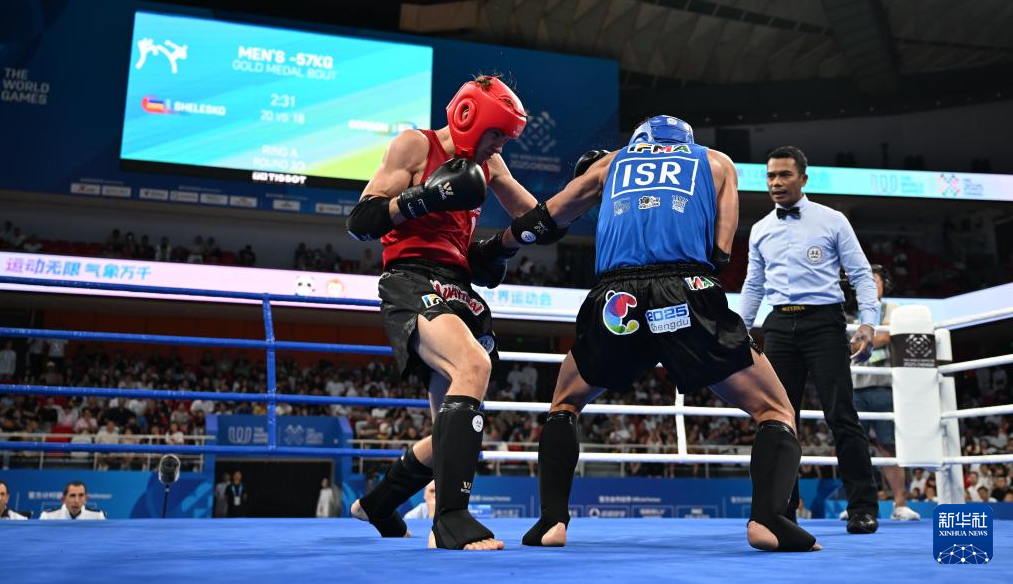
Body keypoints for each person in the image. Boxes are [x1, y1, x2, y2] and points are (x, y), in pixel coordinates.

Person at [498, 115, 818, 552]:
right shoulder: (717, 162)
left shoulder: (610, 163)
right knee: (775, 409)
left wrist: (498, 246)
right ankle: (768, 521)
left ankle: (551, 522)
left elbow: (547, 218)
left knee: (565, 403)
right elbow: (721, 253)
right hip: (685, 291)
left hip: (615, 300)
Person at [345, 75, 540, 551]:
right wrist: (425, 196)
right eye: (496, 134)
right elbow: (360, 221)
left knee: (448, 436)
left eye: (505, 138)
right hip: (411, 278)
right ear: (469, 117)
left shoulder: (489, 164)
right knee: (473, 364)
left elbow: (536, 217)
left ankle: (378, 504)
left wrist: (578, 199)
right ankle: (451, 520)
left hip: (458, 287)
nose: (499, 145)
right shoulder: (415, 145)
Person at [741, 146, 880, 534]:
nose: (776, 182)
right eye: (770, 176)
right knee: (779, 419)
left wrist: (868, 323)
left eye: (784, 175)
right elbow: (753, 285)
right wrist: (740, 330)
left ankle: (863, 507)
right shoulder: (760, 229)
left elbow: (861, 274)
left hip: (824, 323)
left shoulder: (832, 220)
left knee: (841, 415)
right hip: (778, 326)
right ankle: (782, 512)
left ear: (803, 178)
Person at [848, 264, 920, 521]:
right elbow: (851, 346)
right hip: (856, 387)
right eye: (865, 281)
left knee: (889, 446)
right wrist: (869, 338)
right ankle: (857, 504)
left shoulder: (892, 309)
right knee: (854, 446)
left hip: (885, 386)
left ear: (883, 285)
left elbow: (882, 338)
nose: (870, 285)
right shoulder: (848, 313)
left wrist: (864, 339)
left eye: (875, 281)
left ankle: (900, 504)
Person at [40, 481, 106, 519]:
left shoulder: (97, 516)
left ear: (86, 499)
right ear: (63, 499)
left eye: (81, 495)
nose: (76, 501)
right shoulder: (48, 516)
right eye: (72, 496)